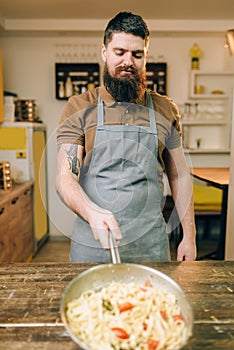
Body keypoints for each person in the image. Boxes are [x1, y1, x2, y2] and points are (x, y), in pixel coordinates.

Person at [56, 11, 197, 262]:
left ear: (145, 57)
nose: (127, 61)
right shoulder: (79, 107)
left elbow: (180, 174)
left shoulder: (165, 109)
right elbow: (65, 176)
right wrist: (92, 212)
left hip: (150, 245)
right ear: (104, 52)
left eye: (136, 54)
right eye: (119, 52)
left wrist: (189, 236)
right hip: (92, 244)